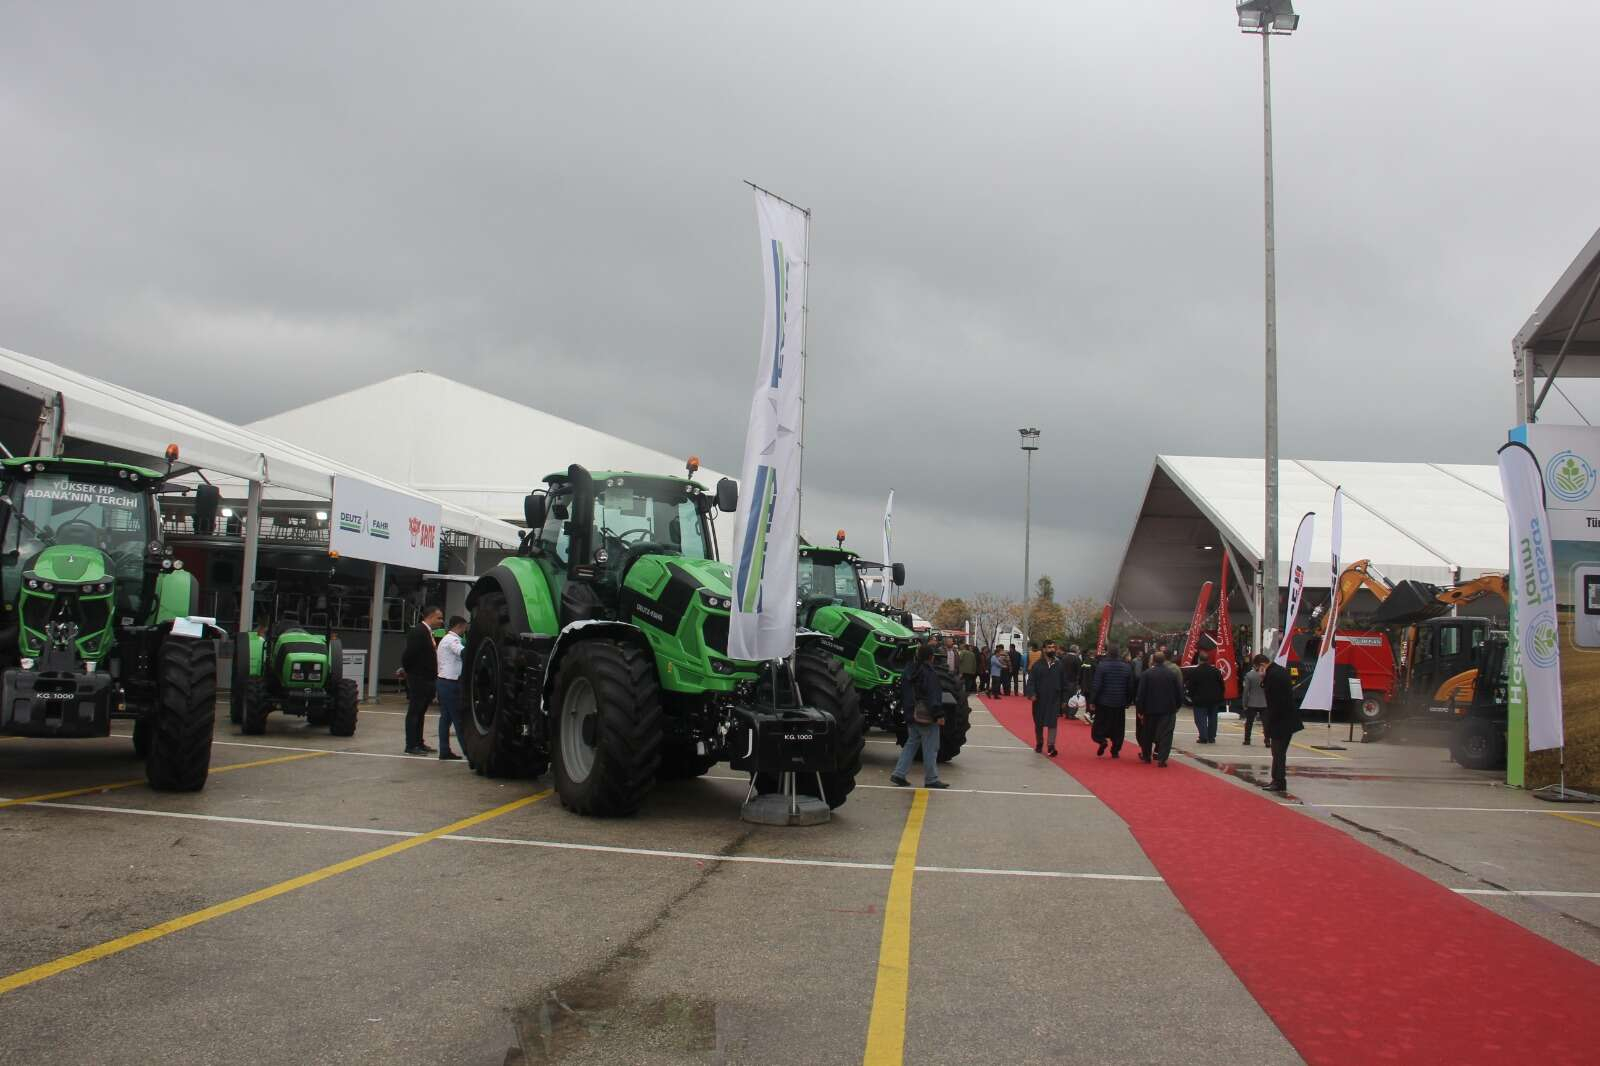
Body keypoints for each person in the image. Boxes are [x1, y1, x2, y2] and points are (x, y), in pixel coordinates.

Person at [890, 643, 951, 789]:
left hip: (911, 713)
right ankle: (931, 778)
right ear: (931, 657)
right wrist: (938, 714)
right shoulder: (929, 673)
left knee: (911, 744)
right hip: (926, 716)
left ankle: (899, 773)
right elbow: (932, 695)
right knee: (931, 747)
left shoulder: (909, 670)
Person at [399, 604, 442, 756]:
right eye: (439, 618)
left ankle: (419, 741)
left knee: (421, 711)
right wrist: (410, 672)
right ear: (430, 617)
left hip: (426, 677)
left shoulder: (427, 632)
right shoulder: (418, 632)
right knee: (415, 711)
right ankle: (411, 744)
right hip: (418, 677)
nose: (441, 621)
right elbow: (409, 654)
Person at [1256, 653, 1301, 792]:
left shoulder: (1273, 675)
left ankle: (1278, 781)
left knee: (1278, 753)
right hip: (1286, 719)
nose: (1258, 672)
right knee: (1278, 753)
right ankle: (1277, 780)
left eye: (1257, 669)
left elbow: (1274, 701)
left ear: (1262, 666)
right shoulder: (1279, 671)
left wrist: (1268, 726)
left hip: (1281, 720)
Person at [1135, 651, 1184, 767]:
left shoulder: (1146, 674)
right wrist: (1177, 706)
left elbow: (1141, 694)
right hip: (1168, 709)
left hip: (1150, 709)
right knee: (1166, 734)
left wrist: (1140, 710)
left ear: (1153, 661)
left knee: (1147, 733)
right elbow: (1179, 692)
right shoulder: (1171, 674)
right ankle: (1162, 758)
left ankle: (1146, 756)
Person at [1089, 643, 1135, 758]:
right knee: (1118, 728)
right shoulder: (1126, 667)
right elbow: (1130, 687)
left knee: (1099, 726)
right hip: (1119, 702)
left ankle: (1101, 740)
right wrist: (1128, 701)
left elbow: (1097, 685)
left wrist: (1092, 701)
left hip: (1104, 702)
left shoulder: (1102, 666)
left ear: (1108, 652)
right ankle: (1115, 750)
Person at [1025, 640, 1067, 755]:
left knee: (1053, 723)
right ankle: (1039, 742)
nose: (1052, 649)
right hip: (1039, 700)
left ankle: (1051, 746)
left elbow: (1064, 683)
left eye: (1053, 647)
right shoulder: (1037, 665)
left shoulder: (1059, 665)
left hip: (1054, 699)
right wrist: (1031, 693)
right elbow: (1031, 682)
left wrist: (1064, 700)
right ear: (1044, 649)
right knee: (1039, 723)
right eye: (1049, 647)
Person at [434, 614, 468, 761]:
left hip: (442, 681)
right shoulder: (453, 640)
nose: (464, 631)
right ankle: (468, 752)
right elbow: (462, 652)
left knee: (446, 719)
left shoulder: (444, 640)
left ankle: (444, 750)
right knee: (458, 719)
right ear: (460, 626)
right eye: (464, 628)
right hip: (451, 683)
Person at [1186, 651, 1225, 744]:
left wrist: (1191, 696)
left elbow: (1190, 686)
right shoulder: (1216, 671)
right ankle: (1211, 737)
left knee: (1200, 718)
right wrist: (1220, 696)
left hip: (1200, 699)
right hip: (1214, 699)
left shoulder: (1195, 671)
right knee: (1213, 718)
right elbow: (1222, 685)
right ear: (1208, 660)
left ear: (1199, 660)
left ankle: (1203, 736)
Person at [1239, 655, 1268, 745]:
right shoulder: (1267, 674)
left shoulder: (1249, 675)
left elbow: (1246, 691)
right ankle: (1267, 740)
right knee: (1266, 723)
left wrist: (1244, 703)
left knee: (1249, 722)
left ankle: (1247, 739)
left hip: (1252, 702)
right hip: (1265, 703)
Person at [1059, 644, 1084, 719]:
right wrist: (1079, 682)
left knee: (1065, 697)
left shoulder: (1064, 658)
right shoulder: (1077, 659)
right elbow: (1079, 672)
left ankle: (1063, 712)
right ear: (1076, 650)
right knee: (1073, 697)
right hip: (1073, 681)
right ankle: (1070, 714)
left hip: (1063, 680)